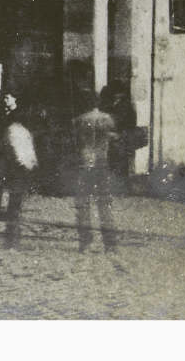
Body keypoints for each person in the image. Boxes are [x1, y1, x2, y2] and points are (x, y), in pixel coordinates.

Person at [0, 94, 36, 247]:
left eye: (8, 98)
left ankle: (12, 212)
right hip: (2, 154)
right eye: (5, 98)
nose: (5, 100)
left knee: (16, 184)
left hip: (16, 155)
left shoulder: (22, 115)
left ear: (15, 99)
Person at [72, 86, 118, 253]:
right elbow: (113, 137)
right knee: (104, 204)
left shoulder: (79, 121)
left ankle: (85, 242)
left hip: (85, 163)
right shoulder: (107, 119)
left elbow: (76, 143)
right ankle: (110, 243)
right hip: (102, 162)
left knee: (83, 204)